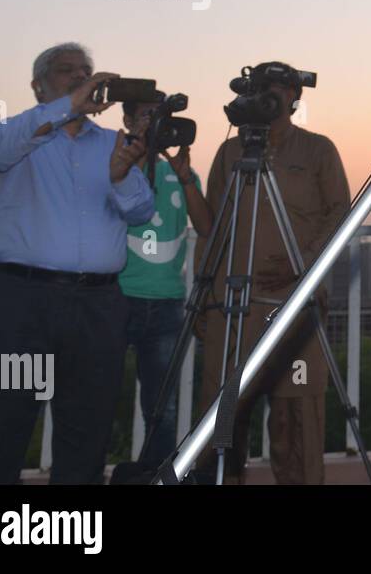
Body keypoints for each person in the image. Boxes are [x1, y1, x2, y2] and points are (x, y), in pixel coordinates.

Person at [0, 43, 154, 483]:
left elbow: (141, 212)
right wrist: (66, 107)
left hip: (98, 305)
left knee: (86, 431)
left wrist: (122, 176)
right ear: (38, 86)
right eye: (67, 71)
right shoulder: (15, 134)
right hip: (20, 301)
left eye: (86, 71)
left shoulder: (115, 144)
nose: (80, 77)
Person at [195, 62, 350, 484]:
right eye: (265, 88)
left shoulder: (319, 150)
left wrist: (303, 261)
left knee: (294, 423)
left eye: (282, 90)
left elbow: (340, 213)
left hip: (293, 307)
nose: (273, 97)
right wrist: (201, 299)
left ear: (295, 98)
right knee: (223, 422)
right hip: (232, 308)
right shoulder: (231, 152)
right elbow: (211, 226)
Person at [118, 97, 213, 469]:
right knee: (96, 395)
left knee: (162, 407)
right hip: (117, 297)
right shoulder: (119, 168)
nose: (156, 126)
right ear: (127, 121)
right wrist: (138, 152)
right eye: (146, 117)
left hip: (168, 302)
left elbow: (206, 227)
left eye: (161, 119)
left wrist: (186, 176)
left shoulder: (180, 172)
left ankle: (157, 475)